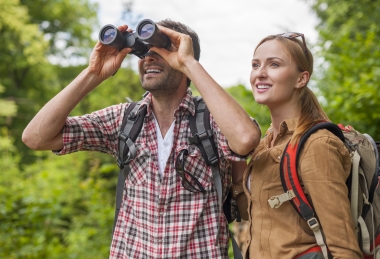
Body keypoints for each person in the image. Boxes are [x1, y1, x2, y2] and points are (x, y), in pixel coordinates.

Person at [22, 19, 261, 258]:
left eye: (160, 50)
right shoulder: (124, 120)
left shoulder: (211, 120)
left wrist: (189, 63)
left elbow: (246, 139)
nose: (148, 58)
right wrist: (93, 73)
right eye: (143, 52)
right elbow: (36, 137)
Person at [242, 33, 362, 258]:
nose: (260, 73)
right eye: (255, 65)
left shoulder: (317, 144)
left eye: (274, 64)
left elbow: (345, 249)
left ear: (301, 79)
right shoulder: (264, 145)